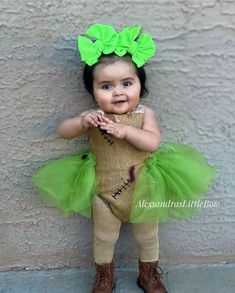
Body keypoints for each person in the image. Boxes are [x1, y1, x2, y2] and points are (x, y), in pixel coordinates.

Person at [32, 24, 216, 293]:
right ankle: (105, 277)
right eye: (106, 86)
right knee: (104, 237)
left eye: (127, 83)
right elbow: (64, 132)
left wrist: (127, 130)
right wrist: (82, 122)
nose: (118, 92)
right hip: (104, 191)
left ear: (140, 86)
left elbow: (152, 142)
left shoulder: (144, 114)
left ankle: (149, 275)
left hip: (144, 188)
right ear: (93, 91)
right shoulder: (94, 117)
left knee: (148, 236)